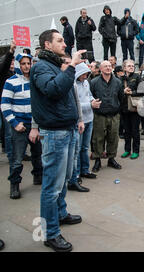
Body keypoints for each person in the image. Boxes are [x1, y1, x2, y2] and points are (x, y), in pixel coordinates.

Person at [30, 29, 85, 252]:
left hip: (68, 130)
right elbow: (53, 90)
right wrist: (71, 66)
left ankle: (60, 214)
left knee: (63, 181)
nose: (65, 44)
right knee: (52, 186)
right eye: (60, 40)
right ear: (47, 45)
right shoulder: (40, 67)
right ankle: (50, 233)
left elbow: (67, 93)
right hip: (55, 133)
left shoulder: (55, 65)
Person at [1, 53, 43, 199]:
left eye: (28, 63)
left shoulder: (35, 81)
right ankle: (14, 184)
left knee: (37, 154)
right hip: (19, 125)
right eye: (23, 63)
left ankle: (38, 177)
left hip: (34, 124)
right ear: (19, 64)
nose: (26, 66)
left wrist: (37, 124)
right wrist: (14, 123)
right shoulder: (11, 82)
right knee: (17, 158)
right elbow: (5, 104)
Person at [60, 57, 89, 193]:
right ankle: (71, 179)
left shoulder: (76, 83)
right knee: (67, 156)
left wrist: (80, 120)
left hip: (77, 122)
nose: (70, 65)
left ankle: (74, 179)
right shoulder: (57, 82)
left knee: (78, 151)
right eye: (66, 63)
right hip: (60, 127)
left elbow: (77, 102)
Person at [90, 60, 124, 173]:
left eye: (110, 66)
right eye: (106, 66)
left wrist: (117, 109)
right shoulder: (94, 82)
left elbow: (121, 98)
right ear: (100, 69)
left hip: (114, 115)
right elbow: (90, 97)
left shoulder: (118, 82)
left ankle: (111, 159)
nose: (108, 68)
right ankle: (97, 160)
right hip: (99, 115)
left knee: (113, 137)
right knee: (98, 138)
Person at [120, 60, 141, 160]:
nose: (131, 67)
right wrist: (123, 91)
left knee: (135, 130)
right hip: (124, 108)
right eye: (129, 66)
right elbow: (117, 91)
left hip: (134, 108)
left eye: (133, 66)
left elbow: (143, 90)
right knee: (126, 131)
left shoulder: (137, 77)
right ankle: (127, 150)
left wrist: (132, 92)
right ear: (124, 68)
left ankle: (136, 151)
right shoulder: (120, 78)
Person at [0, 40, 16, 164]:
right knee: (7, 131)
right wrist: (10, 52)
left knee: (9, 130)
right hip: (4, 104)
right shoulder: (4, 71)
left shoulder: (12, 73)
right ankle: (10, 153)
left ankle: (11, 152)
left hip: (8, 104)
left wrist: (11, 52)